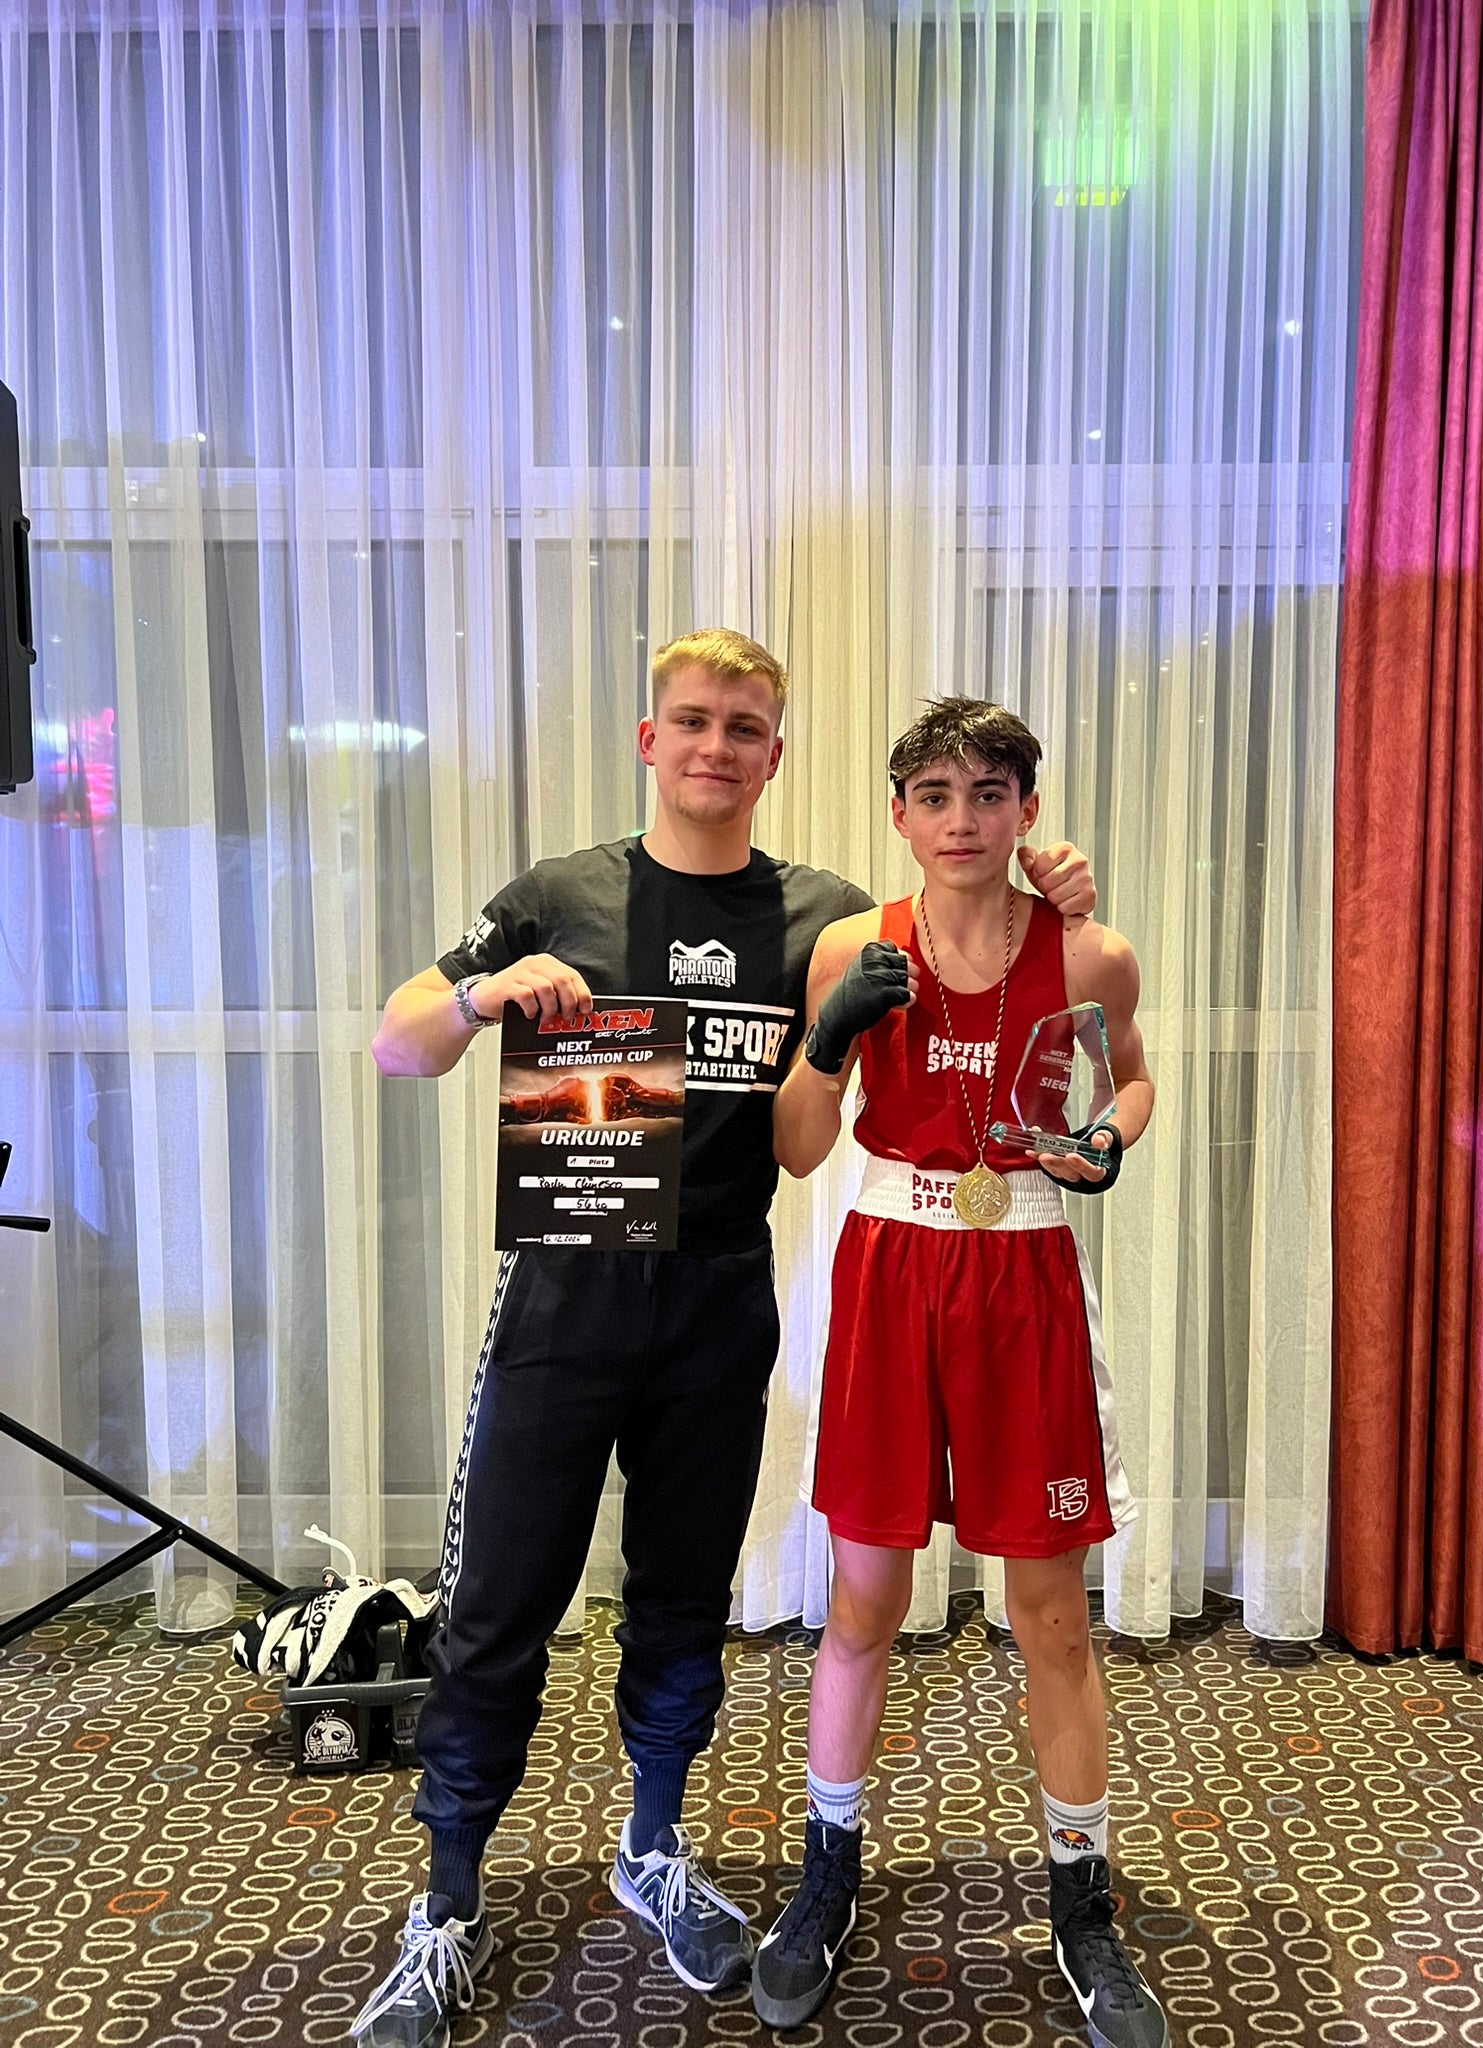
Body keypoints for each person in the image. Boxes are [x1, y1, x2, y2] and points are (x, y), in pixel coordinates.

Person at [350, 633, 1100, 2048]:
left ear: (774, 755)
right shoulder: (560, 892)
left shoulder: (823, 919)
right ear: (651, 740)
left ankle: (652, 1847)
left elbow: (956, 953)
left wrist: (1057, 884)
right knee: (503, 1600)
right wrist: (478, 997)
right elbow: (399, 1041)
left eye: (743, 727)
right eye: (692, 721)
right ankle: (446, 1905)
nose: (715, 746)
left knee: (683, 1598)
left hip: (717, 1296)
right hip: (565, 1296)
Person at [753, 697, 1167, 2048]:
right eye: (934, 794)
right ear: (899, 814)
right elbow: (800, 1148)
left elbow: (1132, 1082)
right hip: (891, 1268)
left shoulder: (1090, 951)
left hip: (1023, 1272)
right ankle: (827, 1870)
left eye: (989, 792)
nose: (962, 819)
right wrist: (828, 1040)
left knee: (1050, 1615)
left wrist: (1106, 1138)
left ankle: (1082, 1899)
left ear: (1026, 809)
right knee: (864, 1598)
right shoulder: (851, 946)